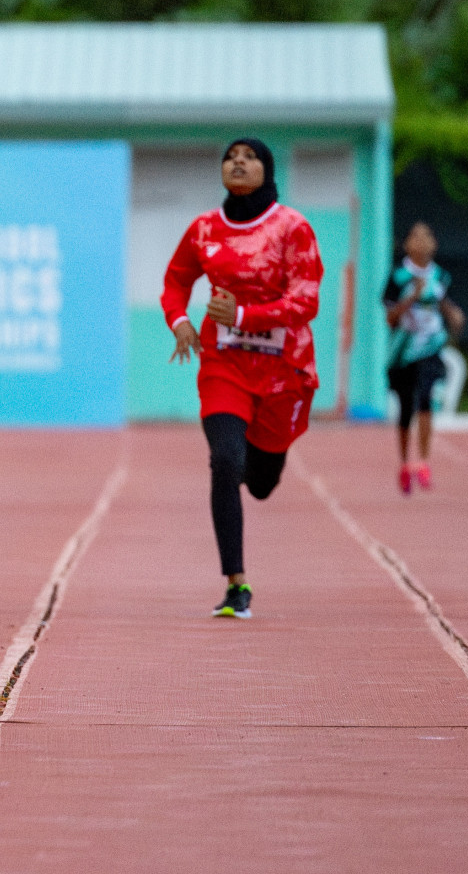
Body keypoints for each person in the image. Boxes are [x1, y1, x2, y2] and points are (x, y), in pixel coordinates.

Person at [163, 138, 323, 620]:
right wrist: (181, 322)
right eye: (230, 156)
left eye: (249, 157)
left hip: (283, 372)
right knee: (225, 461)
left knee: (260, 482)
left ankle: (264, 455)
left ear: (266, 170)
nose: (237, 162)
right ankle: (236, 584)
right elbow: (176, 281)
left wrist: (246, 314)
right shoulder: (205, 228)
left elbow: (306, 301)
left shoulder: (292, 228)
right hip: (223, 364)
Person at [383, 221, 464, 494]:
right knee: (406, 409)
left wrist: (453, 314)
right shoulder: (398, 277)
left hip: (431, 348)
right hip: (403, 352)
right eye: (416, 236)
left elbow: (448, 307)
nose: (422, 241)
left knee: (427, 400)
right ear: (407, 244)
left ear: (434, 244)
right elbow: (390, 319)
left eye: (428, 235)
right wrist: (412, 297)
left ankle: (425, 462)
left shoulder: (441, 277)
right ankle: (405, 463)